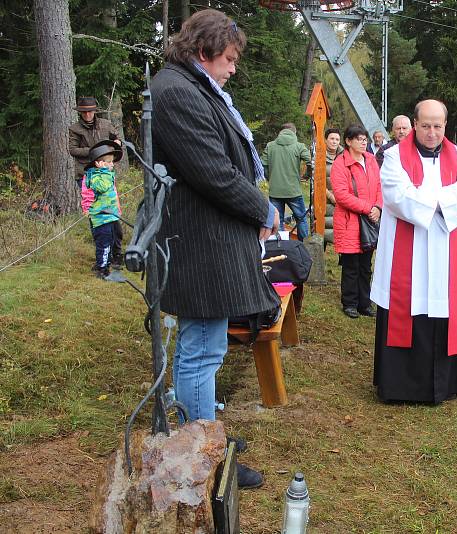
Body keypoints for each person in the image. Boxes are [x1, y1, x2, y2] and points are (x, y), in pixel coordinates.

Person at [151, 8, 280, 489]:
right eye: (228, 58)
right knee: (201, 350)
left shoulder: (191, 85)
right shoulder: (177, 92)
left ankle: (206, 430)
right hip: (199, 240)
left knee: (204, 347)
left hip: (208, 236)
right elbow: (214, 173)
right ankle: (201, 454)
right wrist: (262, 209)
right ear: (203, 52)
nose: (233, 68)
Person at [371, 99, 457, 404]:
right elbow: (397, 195)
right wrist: (443, 201)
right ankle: (401, 386)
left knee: (445, 306)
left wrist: (430, 200)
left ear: (445, 125)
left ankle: (447, 384)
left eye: (438, 126)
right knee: (407, 306)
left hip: (446, 250)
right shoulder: (393, 157)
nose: (432, 133)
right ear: (415, 125)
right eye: (426, 125)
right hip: (407, 255)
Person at [330, 125, 383, 318]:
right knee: (351, 265)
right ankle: (350, 303)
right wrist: (368, 208)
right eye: (359, 139)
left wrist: (378, 207)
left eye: (365, 139)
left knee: (365, 265)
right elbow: (341, 195)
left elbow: (379, 186)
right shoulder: (340, 164)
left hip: (369, 221)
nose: (364, 142)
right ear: (348, 141)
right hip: (349, 221)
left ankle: (364, 302)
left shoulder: (370, 160)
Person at [69, 96, 124, 268]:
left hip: (107, 175)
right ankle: (102, 255)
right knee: (97, 217)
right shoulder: (74, 128)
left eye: (90, 111)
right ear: (80, 113)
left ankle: (117, 254)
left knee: (113, 214)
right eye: (84, 112)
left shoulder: (106, 124)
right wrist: (95, 152)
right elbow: (72, 149)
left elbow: (117, 140)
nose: (88, 114)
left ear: (95, 111)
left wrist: (116, 143)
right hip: (87, 176)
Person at [261, 122, 312, 241]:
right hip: (293, 191)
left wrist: (271, 178)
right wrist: (307, 175)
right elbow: (311, 161)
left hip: (275, 191)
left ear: (280, 132)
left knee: (278, 220)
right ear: (294, 132)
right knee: (301, 218)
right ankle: (303, 247)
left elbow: (263, 165)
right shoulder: (299, 146)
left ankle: (281, 247)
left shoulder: (270, 146)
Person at [83, 141, 123, 279]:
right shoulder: (95, 176)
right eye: (109, 162)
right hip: (101, 218)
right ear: (99, 164)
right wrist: (103, 171)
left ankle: (104, 263)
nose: (112, 165)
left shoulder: (105, 174)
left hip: (110, 216)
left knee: (111, 241)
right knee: (104, 244)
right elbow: (102, 187)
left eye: (112, 162)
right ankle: (102, 269)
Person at [323, 128, 344, 245]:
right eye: (332, 138)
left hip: (341, 198)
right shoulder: (319, 156)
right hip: (325, 198)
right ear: (326, 140)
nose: (334, 142)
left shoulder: (345, 156)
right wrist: (330, 196)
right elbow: (317, 181)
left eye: (337, 139)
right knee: (323, 228)